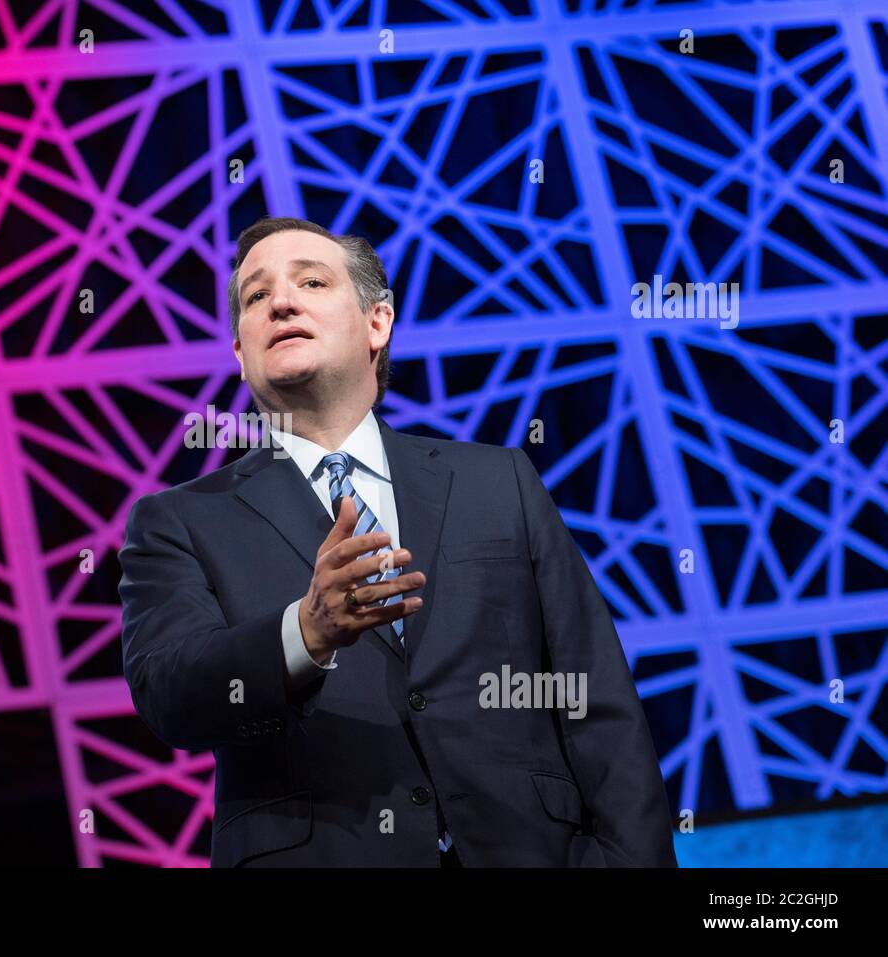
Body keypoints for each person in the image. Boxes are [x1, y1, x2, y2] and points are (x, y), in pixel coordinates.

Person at [118, 216, 677, 867]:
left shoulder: (499, 480)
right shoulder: (180, 521)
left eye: (311, 281)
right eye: (255, 296)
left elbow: (594, 696)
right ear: (240, 355)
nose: (282, 302)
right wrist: (306, 631)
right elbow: (171, 696)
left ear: (377, 323)